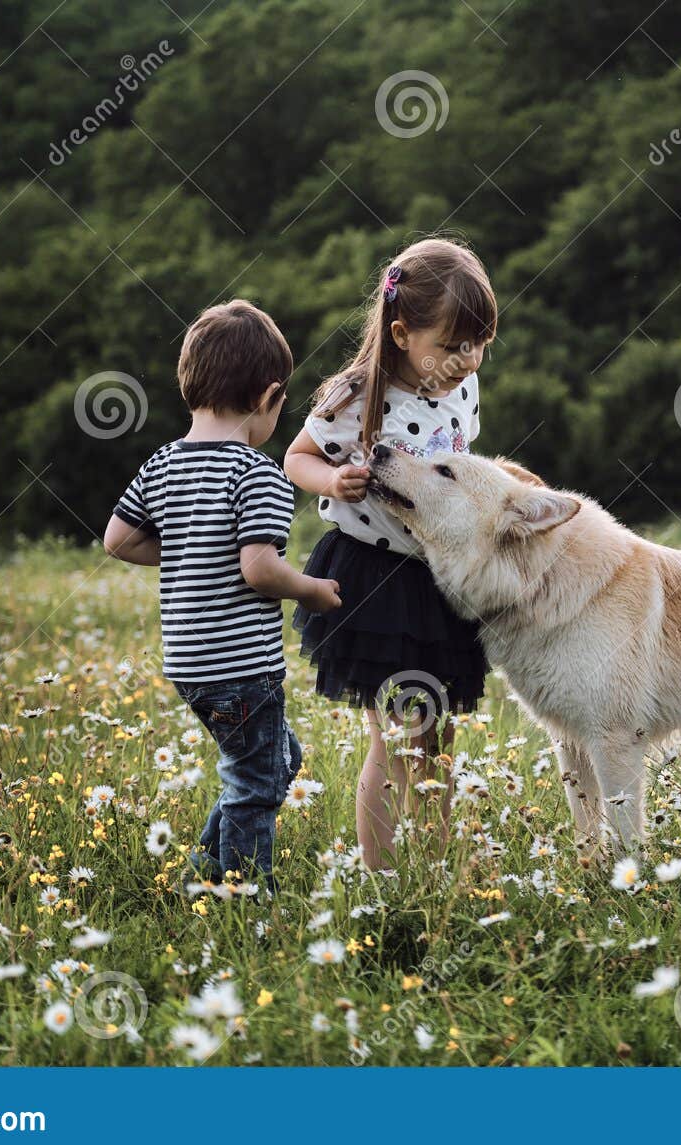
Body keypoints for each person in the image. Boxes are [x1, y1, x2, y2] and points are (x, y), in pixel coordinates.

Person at [104, 299, 341, 894]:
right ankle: (240, 895)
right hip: (241, 667)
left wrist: (190, 550)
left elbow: (119, 541)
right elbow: (261, 569)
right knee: (258, 785)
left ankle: (206, 868)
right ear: (268, 397)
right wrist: (309, 589)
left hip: (190, 666)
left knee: (277, 763)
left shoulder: (161, 463)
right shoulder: (256, 472)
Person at [283, 238, 497, 869]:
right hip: (376, 582)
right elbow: (297, 457)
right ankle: (381, 872)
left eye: (480, 343)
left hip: (440, 578)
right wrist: (331, 482)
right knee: (397, 736)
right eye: (454, 346)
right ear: (402, 333)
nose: (470, 359)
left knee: (439, 737)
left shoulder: (464, 387)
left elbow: (462, 463)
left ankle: (431, 861)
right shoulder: (355, 395)